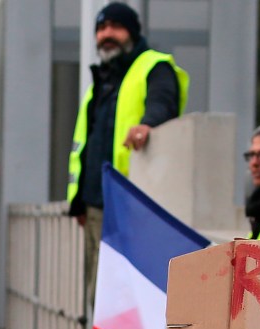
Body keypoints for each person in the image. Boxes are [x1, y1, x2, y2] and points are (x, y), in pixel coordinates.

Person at [67, 1, 189, 308]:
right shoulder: (102, 82)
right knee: (101, 301)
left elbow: (163, 103)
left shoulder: (153, 65)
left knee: (125, 304)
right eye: (101, 28)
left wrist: (148, 123)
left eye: (116, 27)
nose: (107, 34)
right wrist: (79, 200)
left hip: (133, 205)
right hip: (97, 206)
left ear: (132, 33)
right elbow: (87, 145)